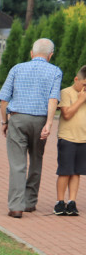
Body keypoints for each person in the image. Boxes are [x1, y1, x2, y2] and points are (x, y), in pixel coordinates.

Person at [0, 38, 62, 219]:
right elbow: (53, 99)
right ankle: (30, 202)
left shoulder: (17, 68)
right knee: (36, 159)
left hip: (18, 119)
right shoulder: (55, 71)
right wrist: (49, 124)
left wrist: (4, 122)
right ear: (50, 55)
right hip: (40, 120)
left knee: (18, 164)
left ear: (31, 53)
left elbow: (4, 99)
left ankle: (16, 206)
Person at [54, 65, 86, 217]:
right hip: (67, 138)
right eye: (84, 84)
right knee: (65, 171)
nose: (85, 88)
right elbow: (66, 114)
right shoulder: (66, 93)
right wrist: (80, 100)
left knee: (76, 172)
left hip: (83, 138)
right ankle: (60, 202)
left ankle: (72, 202)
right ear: (76, 79)